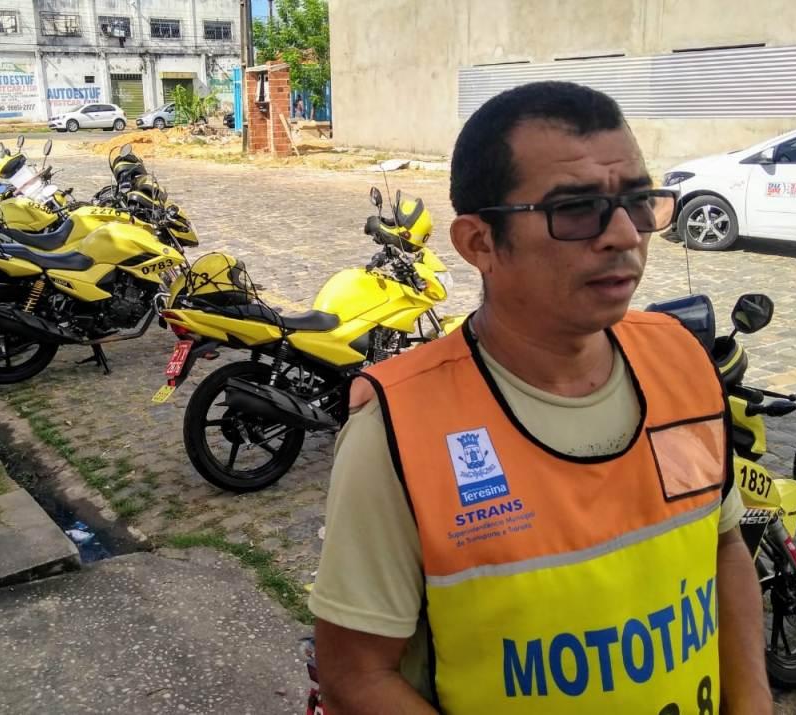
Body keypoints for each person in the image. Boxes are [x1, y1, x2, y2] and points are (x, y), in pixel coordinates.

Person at [309, 81, 771, 714]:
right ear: (479, 243)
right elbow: (355, 674)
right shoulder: (398, 429)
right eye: (576, 209)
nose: (623, 234)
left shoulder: (681, 362)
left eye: (637, 201)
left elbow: (723, 546)